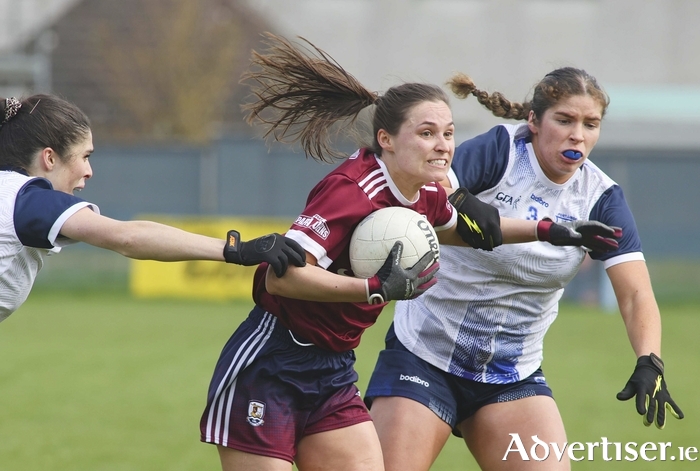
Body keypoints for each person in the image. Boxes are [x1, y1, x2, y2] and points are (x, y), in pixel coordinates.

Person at [198, 34, 621, 471]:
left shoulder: (423, 193)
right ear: (387, 138)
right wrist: (374, 288)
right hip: (274, 359)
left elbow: (470, 233)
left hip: (334, 369)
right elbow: (281, 277)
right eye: (427, 133)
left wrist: (551, 230)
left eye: (448, 133)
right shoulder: (352, 191)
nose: (443, 145)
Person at [364, 67, 684, 471]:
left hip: (511, 375)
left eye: (591, 124)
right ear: (533, 121)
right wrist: (464, 200)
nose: (577, 135)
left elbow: (636, 293)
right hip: (424, 355)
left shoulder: (601, 198)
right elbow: (428, 193)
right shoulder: (501, 152)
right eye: (564, 120)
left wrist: (649, 359)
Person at [0, 94, 307, 322]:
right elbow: (127, 237)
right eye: (85, 156)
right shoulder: (28, 201)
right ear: (50, 158)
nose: (89, 171)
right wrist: (236, 249)